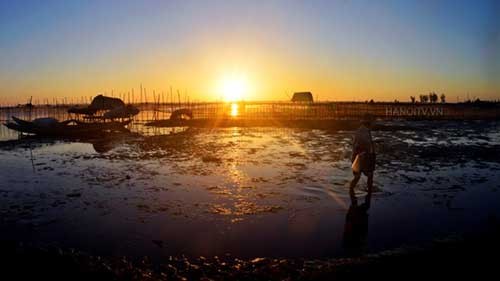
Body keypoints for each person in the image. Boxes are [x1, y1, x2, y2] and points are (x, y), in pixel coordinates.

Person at [350, 115, 375, 192]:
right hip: (363, 157)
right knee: (369, 175)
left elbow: (355, 144)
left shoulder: (360, 131)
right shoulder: (364, 132)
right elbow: (366, 145)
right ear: (369, 123)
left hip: (357, 156)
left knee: (357, 176)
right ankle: (369, 190)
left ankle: (351, 189)